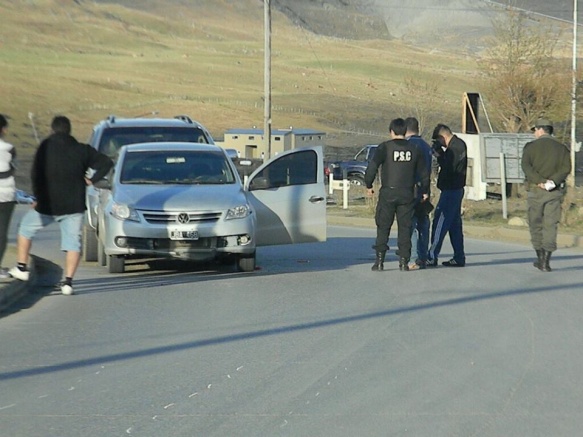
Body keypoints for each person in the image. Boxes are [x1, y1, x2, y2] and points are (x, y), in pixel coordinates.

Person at [9, 116, 113, 295]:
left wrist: (38, 197)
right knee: (73, 243)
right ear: (69, 130)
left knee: (25, 229)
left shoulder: (45, 148)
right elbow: (106, 163)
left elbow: (36, 174)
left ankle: (22, 267)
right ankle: (68, 283)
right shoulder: (82, 150)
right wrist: (91, 180)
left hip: (48, 203)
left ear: (53, 129)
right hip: (73, 204)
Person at [364, 117, 430, 271]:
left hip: (388, 192)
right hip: (407, 193)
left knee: (383, 226)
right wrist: (425, 191)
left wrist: (369, 185)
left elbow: (372, 168)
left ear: (391, 131)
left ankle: (379, 262)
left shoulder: (385, 148)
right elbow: (424, 174)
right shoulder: (415, 149)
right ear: (405, 131)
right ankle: (403, 262)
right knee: (405, 228)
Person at [521, 118, 571, 272]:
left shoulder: (530, 147)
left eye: (535, 130)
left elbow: (525, 166)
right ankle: (546, 261)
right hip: (554, 192)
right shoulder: (562, 148)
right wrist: (552, 182)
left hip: (535, 191)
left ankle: (540, 257)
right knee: (550, 225)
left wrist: (539, 181)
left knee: (535, 224)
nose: (534, 133)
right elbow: (566, 168)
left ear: (540, 130)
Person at [427, 123, 467, 267]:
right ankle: (459, 257)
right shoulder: (460, 145)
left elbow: (448, 167)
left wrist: (439, 154)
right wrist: (442, 154)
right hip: (456, 189)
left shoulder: (453, 149)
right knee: (454, 225)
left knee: (440, 221)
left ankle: (431, 256)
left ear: (442, 137)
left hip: (451, 190)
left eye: (438, 141)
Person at [404, 117, 434, 270]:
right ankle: (423, 257)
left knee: (410, 225)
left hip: (412, 190)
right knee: (424, 225)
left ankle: (413, 258)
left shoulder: (409, 146)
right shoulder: (426, 146)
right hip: (425, 190)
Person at [0, 114, 17, 279]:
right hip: (5, 195)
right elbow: (11, 169)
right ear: (3, 129)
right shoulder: (9, 148)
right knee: (2, 232)